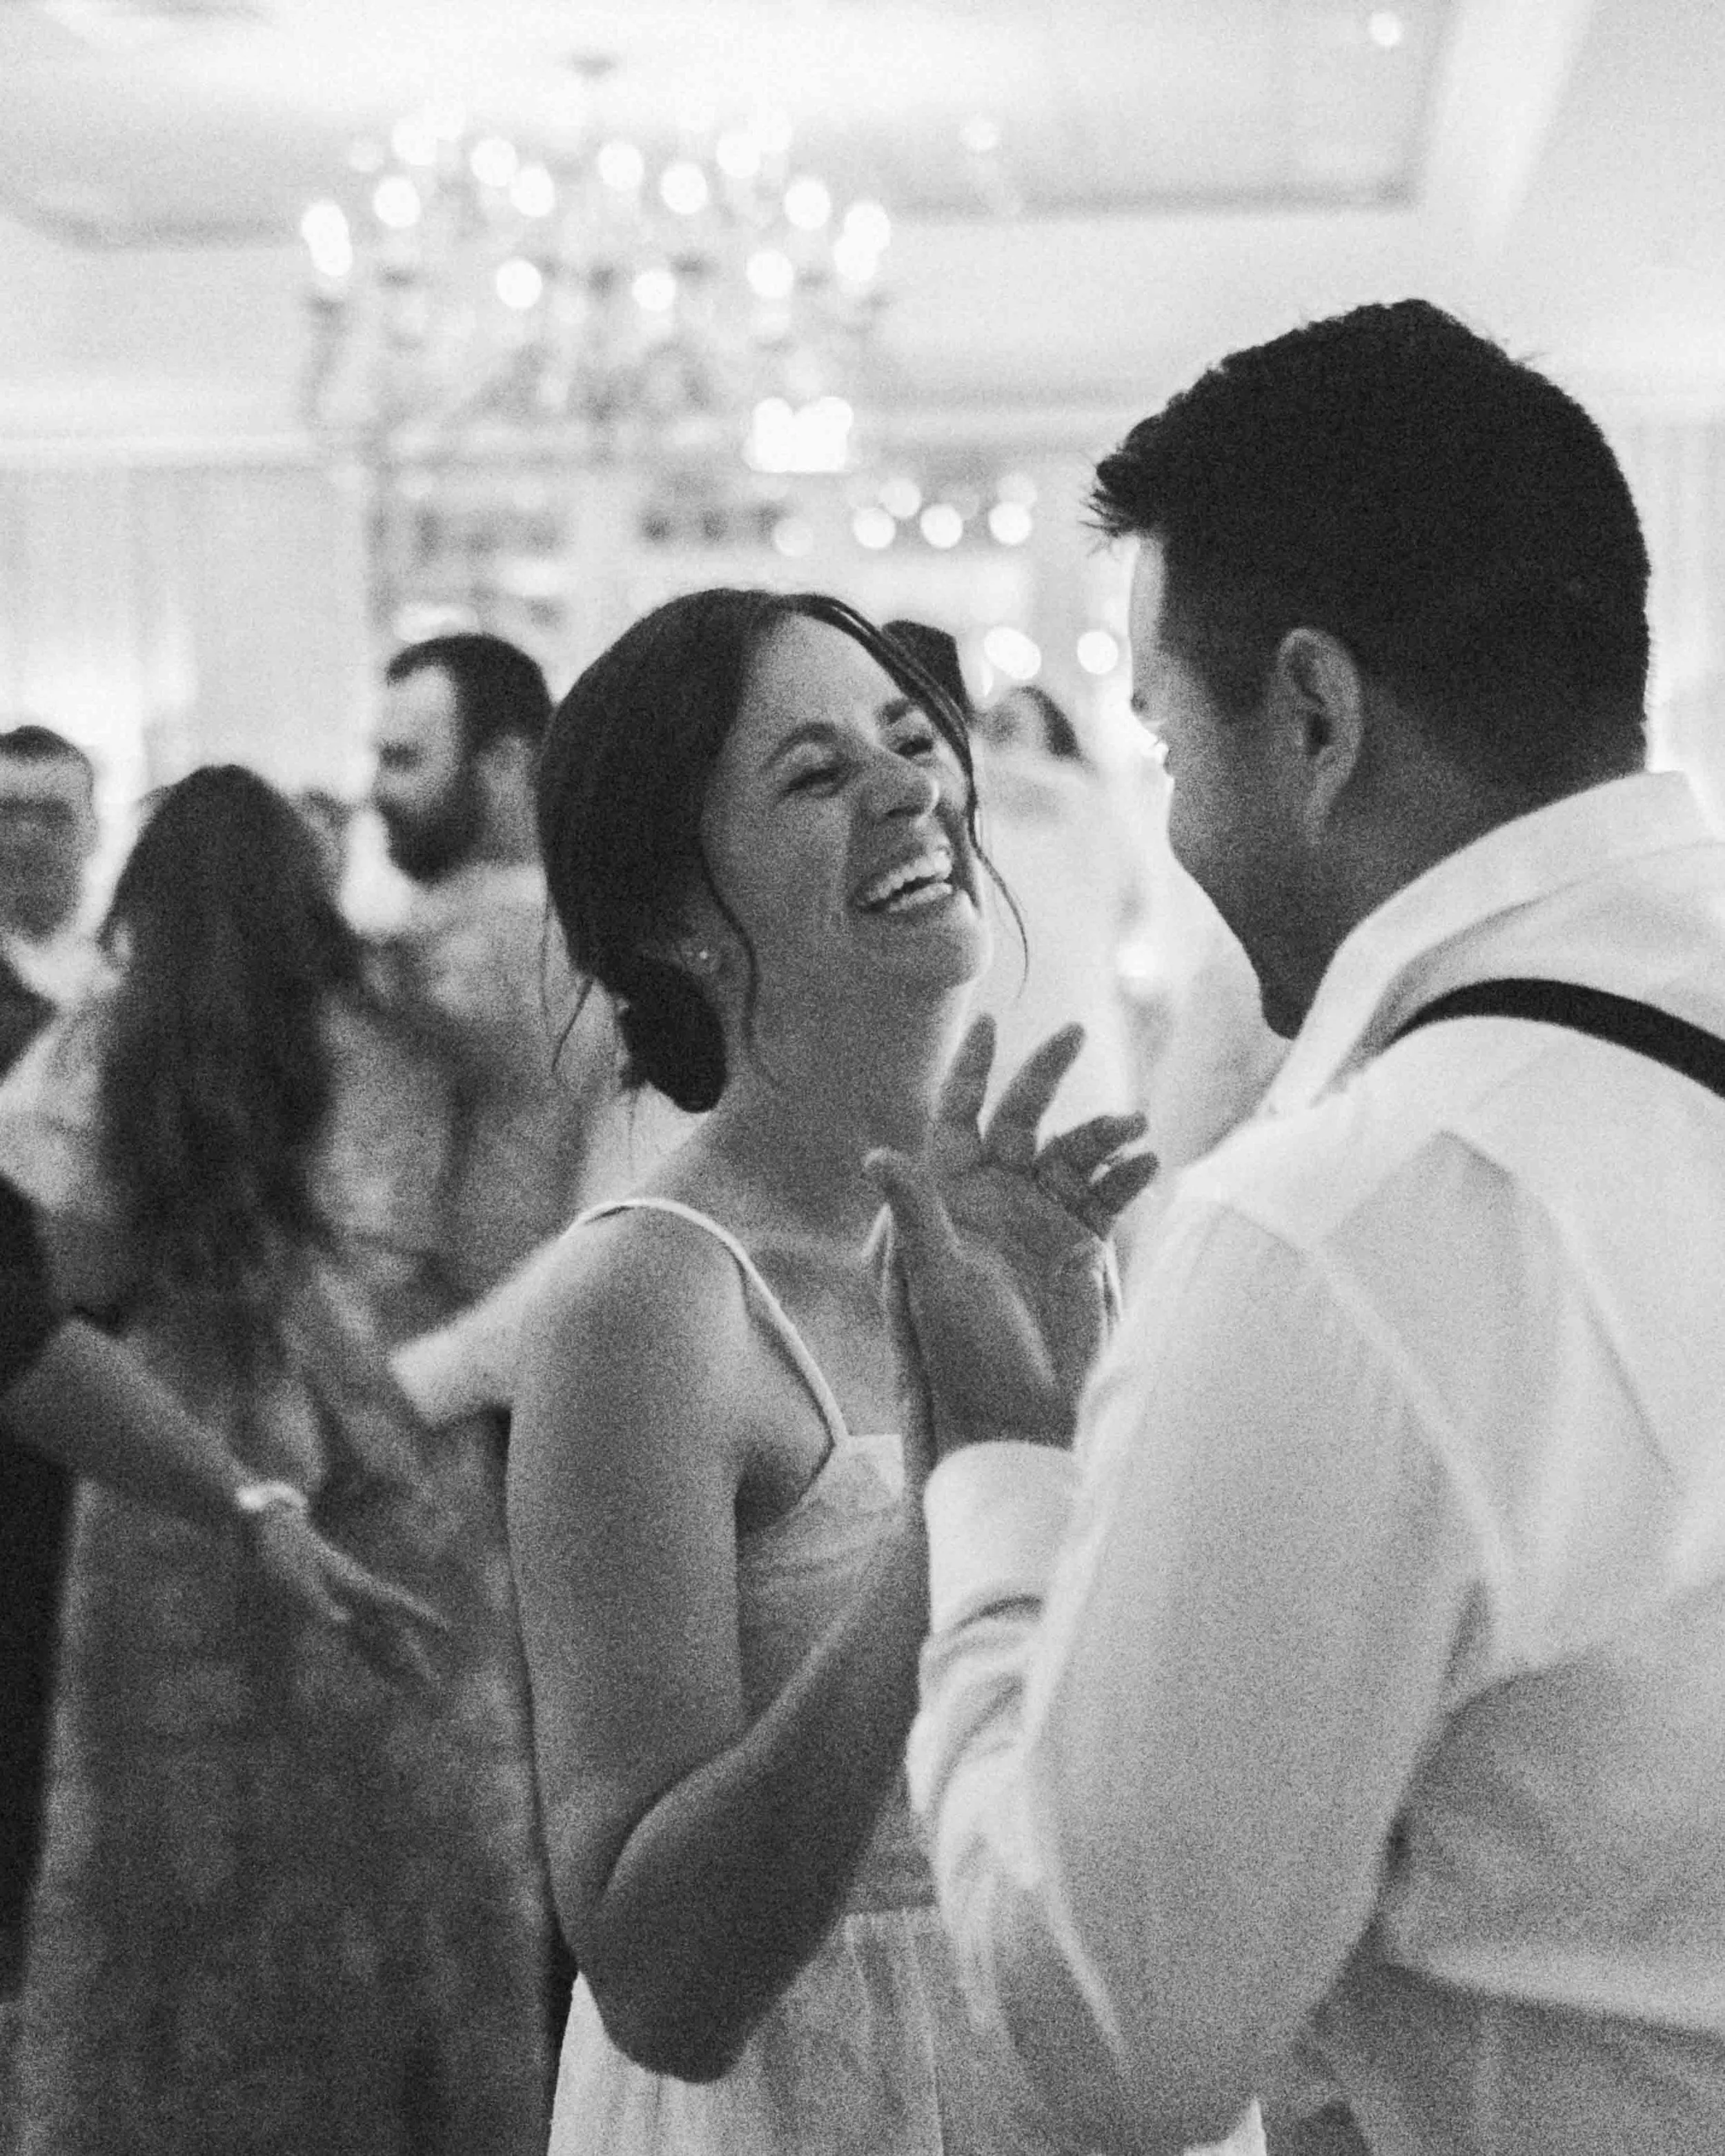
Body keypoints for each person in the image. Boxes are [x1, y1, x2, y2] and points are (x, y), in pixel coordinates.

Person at [870, 298, 1725, 2155]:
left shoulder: (1348, 1227)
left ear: (1313, 715)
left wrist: (1005, 1468)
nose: (1168, 809)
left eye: (1169, 737)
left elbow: (1106, 2037)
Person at [505, 589, 1192, 2156]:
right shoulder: (649, 1300)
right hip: (821, 2098)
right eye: (815, 775)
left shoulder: (1041, 1234)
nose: (913, 787)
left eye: (906, 737)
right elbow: (663, 1982)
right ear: (674, 913)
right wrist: (959, 1500)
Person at [0, 764, 549, 2156]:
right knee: (412, 1812)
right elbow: (493, 1220)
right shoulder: (408, 1028)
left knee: (185, 1827)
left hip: (178, 1451)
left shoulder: (102, 1044)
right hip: (396, 1427)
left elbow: (64, 1267)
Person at [371, 632, 671, 1305]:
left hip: (502, 1335)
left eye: (405, 759)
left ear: (504, 763)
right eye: (379, 758)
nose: (379, 789)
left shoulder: (546, 935)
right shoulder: (456, 921)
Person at [0, 725, 100, 1009]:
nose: (27, 838)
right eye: (7, 814)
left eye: (53, 815)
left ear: (93, 831)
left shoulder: (133, 964)